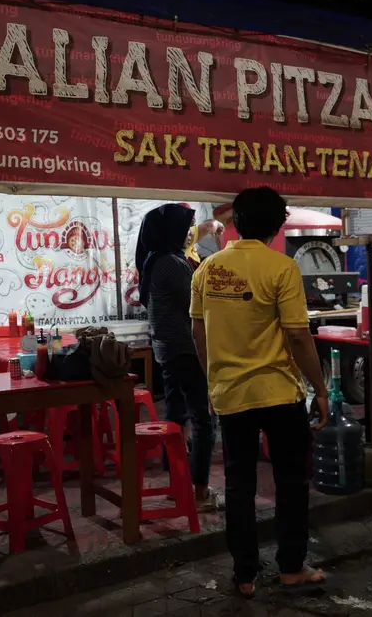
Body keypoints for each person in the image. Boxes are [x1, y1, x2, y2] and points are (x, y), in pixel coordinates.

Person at [190, 186, 330, 598]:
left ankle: (245, 575)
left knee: (238, 485)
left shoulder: (206, 270)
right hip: (279, 394)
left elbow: (199, 334)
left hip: (231, 395)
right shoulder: (281, 268)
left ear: (236, 221)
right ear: (278, 224)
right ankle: (290, 568)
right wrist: (319, 389)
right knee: (290, 482)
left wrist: (214, 379)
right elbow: (300, 338)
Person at [134, 204, 220, 511]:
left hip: (168, 352)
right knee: (204, 419)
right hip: (186, 350)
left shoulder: (154, 260)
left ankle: (178, 484)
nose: (188, 234)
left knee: (176, 418)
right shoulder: (171, 263)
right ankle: (199, 491)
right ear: (170, 232)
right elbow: (201, 303)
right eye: (184, 229)